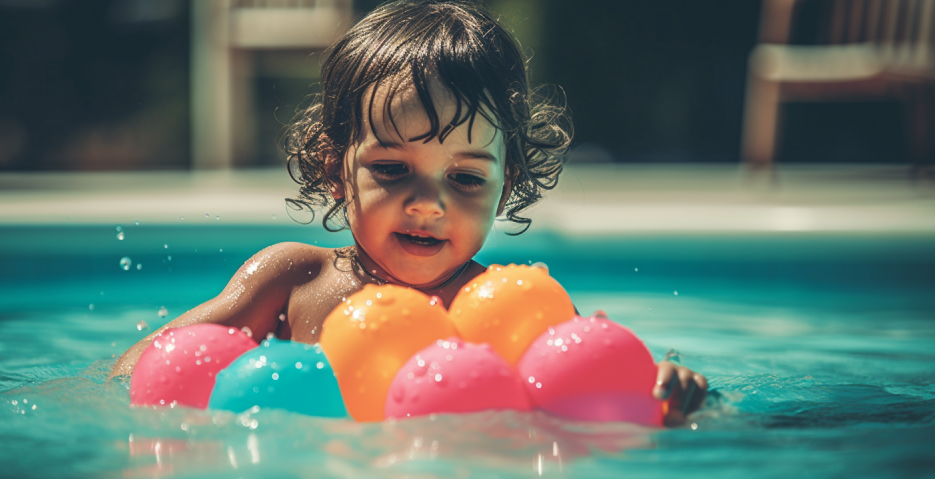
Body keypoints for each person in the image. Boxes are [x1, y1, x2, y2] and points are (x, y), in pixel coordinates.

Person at [110, 0, 707, 424]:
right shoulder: (295, 280)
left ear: (507, 185)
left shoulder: (520, 307)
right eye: (392, 169)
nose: (427, 203)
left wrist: (669, 386)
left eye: (466, 178)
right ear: (333, 166)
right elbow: (145, 365)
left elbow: (601, 384)